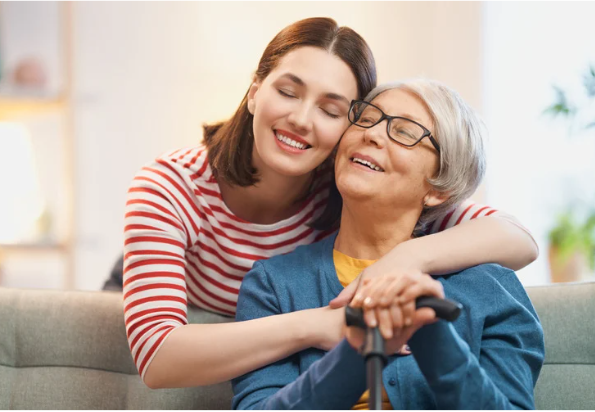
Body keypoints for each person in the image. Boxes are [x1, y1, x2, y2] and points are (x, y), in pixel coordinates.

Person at [122, 17, 539, 389]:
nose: (302, 120)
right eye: (287, 92)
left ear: (346, 125)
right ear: (253, 92)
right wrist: (325, 324)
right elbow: (158, 356)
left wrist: (403, 260)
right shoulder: (170, 186)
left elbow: (517, 237)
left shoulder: (348, 187)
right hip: (183, 290)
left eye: (331, 109)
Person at [232, 79, 545, 409]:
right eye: (366, 118)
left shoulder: (492, 289)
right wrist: (357, 351)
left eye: (406, 132)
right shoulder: (273, 284)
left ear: (438, 188)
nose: (372, 133)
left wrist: (430, 330)